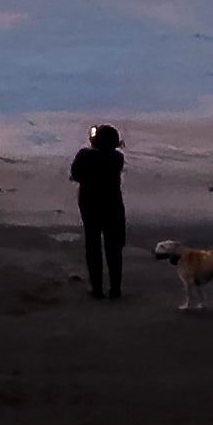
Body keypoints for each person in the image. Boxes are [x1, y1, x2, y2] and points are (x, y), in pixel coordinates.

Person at [70, 123, 126, 299]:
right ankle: (115, 288)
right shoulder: (117, 158)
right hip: (113, 204)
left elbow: (76, 174)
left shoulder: (85, 155)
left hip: (90, 204)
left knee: (93, 245)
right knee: (113, 248)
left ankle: (97, 288)